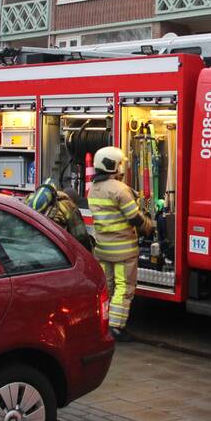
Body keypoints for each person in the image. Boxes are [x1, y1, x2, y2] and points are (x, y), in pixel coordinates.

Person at [87, 146, 154, 342]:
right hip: (123, 250)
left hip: (103, 248)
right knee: (124, 288)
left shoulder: (94, 189)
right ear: (113, 165)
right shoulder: (119, 189)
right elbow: (134, 218)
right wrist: (149, 226)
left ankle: (103, 323)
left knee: (106, 287)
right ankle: (116, 327)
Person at [25, 181, 93, 251]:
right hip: (53, 250)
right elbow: (81, 236)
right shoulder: (68, 206)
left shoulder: (29, 199)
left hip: (30, 245)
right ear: (73, 200)